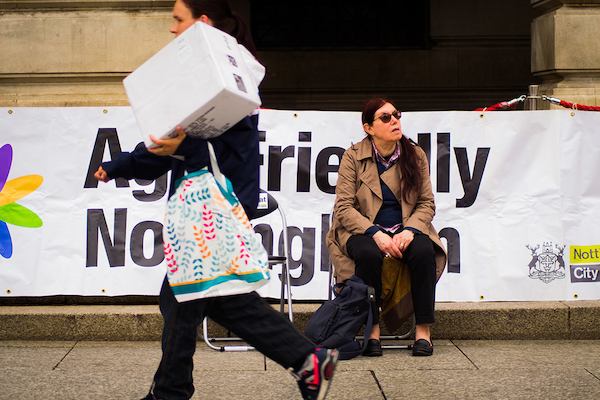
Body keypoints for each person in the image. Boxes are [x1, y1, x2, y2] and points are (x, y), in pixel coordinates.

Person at [94, 1, 338, 399]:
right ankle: (305, 363)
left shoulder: (214, 80)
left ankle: (175, 392)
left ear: (201, 23)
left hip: (210, 211)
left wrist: (124, 163)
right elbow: (179, 145)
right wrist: (125, 164)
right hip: (216, 205)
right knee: (199, 299)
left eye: (178, 19)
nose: (172, 29)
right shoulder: (226, 72)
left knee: (193, 296)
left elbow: (179, 144)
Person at [326, 97, 447, 357]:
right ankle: (373, 331)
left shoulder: (415, 155)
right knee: (369, 254)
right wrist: (375, 233)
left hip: (405, 228)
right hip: (363, 230)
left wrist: (410, 230)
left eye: (396, 114)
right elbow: (344, 208)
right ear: (368, 127)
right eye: (385, 117)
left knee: (425, 252)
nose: (394, 120)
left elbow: (426, 203)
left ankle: (423, 332)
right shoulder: (353, 157)